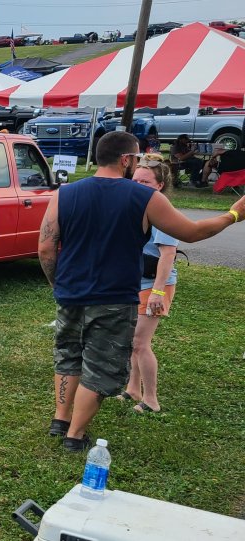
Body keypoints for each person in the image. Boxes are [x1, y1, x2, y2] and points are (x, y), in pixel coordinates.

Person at [38, 131, 245, 453]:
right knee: (102, 366)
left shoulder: (63, 194)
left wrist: (59, 286)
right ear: (126, 159)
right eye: (135, 159)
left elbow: (46, 248)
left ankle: (60, 419)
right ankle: (74, 435)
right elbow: (192, 233)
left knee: (69, 357)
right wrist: (234, 214)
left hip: (71, 297)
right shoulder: (144, 198)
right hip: (115, 299)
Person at [119, 153, 177, 414]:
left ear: (159, 186)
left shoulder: (162, 210)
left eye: (145, 182)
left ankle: (151, 400)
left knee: (141, 343)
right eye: (135, 180)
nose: (137, 185)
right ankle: (133, 389)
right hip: (136, 281)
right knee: (132, 341)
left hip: (155, 285)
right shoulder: (137, 207)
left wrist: (156, 292)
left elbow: (168, 255)